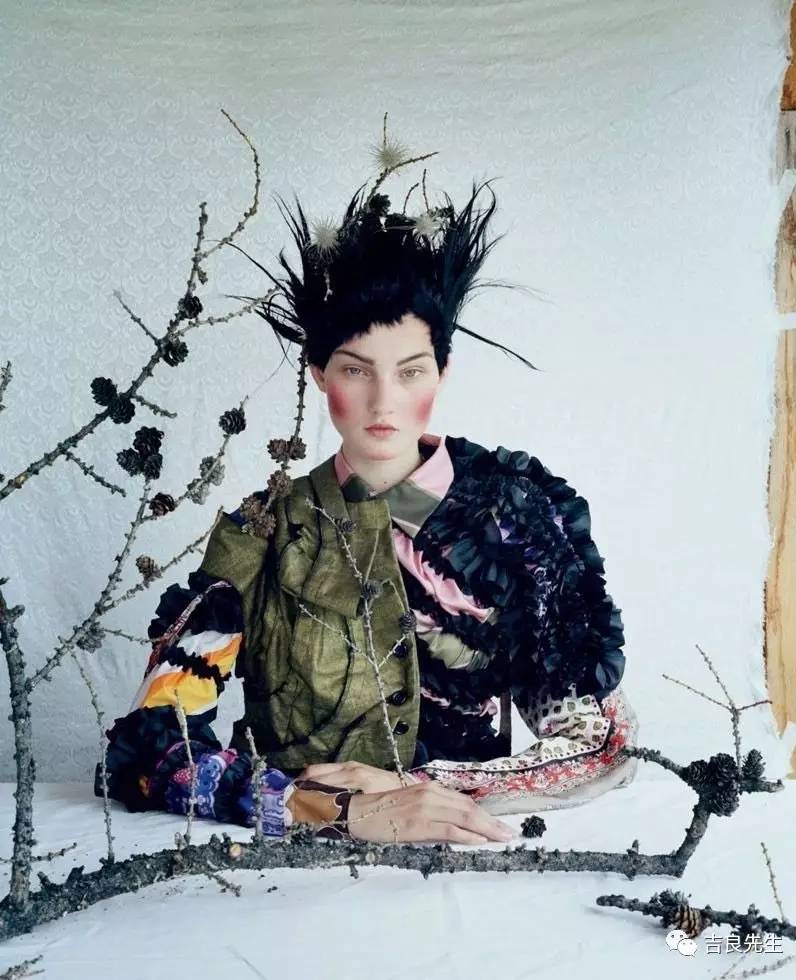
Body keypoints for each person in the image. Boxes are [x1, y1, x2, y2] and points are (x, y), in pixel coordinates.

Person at [96, 160, 638, 845]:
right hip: (291, 873)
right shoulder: (260, 535)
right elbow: (145, 753)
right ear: (319, 374)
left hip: (474, 857)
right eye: (355, 370)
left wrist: (430, 792)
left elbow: (601, 743)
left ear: (442, 372)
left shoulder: (513, 520)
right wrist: (316, 806)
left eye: (410, 371)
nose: (384, 402)